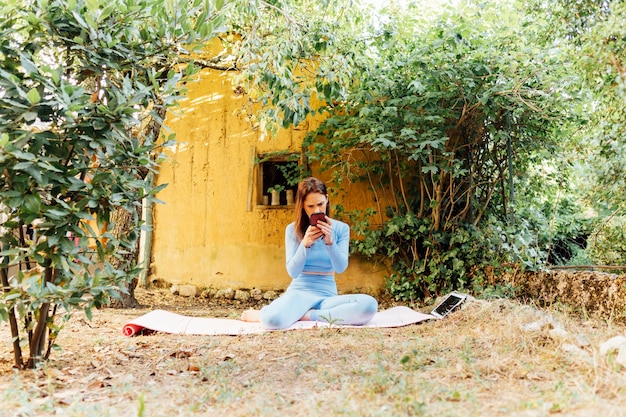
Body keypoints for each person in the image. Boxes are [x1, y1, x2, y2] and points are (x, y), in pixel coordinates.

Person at [241, 177, 378, 330]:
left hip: (327, 297)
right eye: (310, 206)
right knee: (271, 321)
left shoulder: (341, 229)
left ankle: (306, 316)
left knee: (369, 305)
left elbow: (340, 268)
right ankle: (262, 314)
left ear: (327, 199)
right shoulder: (293, 230)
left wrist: (330, 243)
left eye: (320, 204)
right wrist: (304, 245)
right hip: (299, 293)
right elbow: (293, 272)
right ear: (302, 207)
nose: (317, 211)